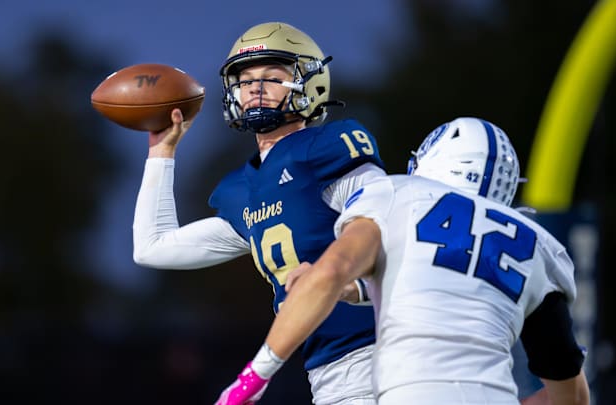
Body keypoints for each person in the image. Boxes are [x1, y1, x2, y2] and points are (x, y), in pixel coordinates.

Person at [217, 117, 591, 404]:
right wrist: (356, 290)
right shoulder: (538, 244)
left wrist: (253, 379)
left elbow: (329, 272)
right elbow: (569, 391)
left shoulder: (395, 193)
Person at [132, 22, 387, 404]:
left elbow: (392, 229)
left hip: (384, 347)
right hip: (330, 369)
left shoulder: (327, 147)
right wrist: (161, 152)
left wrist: (353, 288)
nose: (254, 87)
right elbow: (151, 247)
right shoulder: (241, 190)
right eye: (245, 78)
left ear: (310, 82)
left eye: (272, 76)